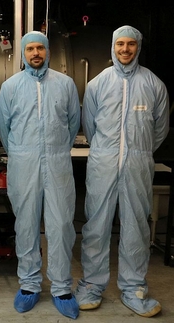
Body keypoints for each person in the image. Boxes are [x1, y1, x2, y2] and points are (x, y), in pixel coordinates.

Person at [75, 25, 169, 318]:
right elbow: (90, 127)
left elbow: (160, 130)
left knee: (136, 228)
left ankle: (134, 288)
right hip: (103, 164)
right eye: (120, 44)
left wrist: (136, 152)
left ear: (138, 47)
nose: (125, 50)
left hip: (138, 166)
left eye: (130, 44)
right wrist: (109, 151)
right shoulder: (97, 84)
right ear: (112, 47)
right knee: (96, 226)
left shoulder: (154, 85)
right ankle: (91, 284)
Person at [0, 31, 80, 319]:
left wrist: (54, 151)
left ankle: (61, 287)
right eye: (30, 48)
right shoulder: (10, 86)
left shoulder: (66, 84)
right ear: (22, 53)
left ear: (48, 52)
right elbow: (3, 127)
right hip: (23, 163)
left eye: (40, 49)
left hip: (58, 163)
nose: (35, 53)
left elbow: (72, 123)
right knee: (26, 224)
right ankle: (29, 285)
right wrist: (22, 152)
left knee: (61, 226)